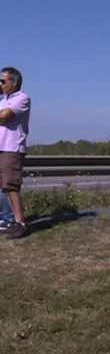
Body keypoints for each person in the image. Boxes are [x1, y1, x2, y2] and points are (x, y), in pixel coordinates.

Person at [0, 67, 31, 239]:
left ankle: (20, 223)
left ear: (14, 82)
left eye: (3, 81)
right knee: (5, 187)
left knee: (12, 186)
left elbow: (5, 117)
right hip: (1, 147)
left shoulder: (22, 98)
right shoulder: (3, 100)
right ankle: (13, 221)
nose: (1, 84)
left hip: (12, 148)